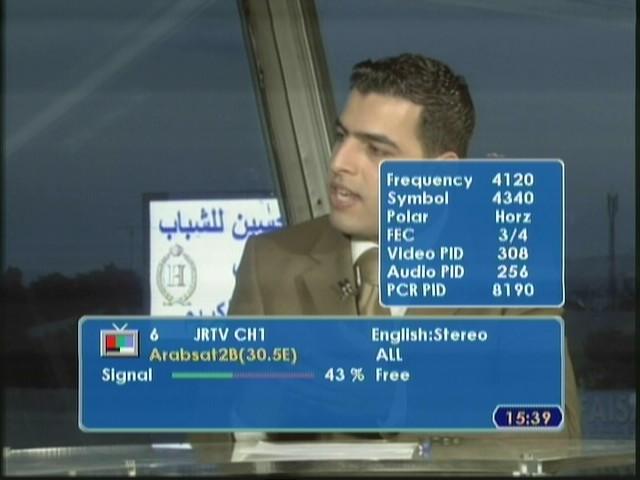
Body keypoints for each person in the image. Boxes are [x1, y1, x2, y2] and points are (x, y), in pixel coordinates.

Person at [228, 53, 581, 441]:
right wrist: (261, 417)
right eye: (342, 136)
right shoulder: (270, 260)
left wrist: (396, 407)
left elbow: (553, 431)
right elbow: (214, 427)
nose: (340, 162)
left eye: (376, 150)